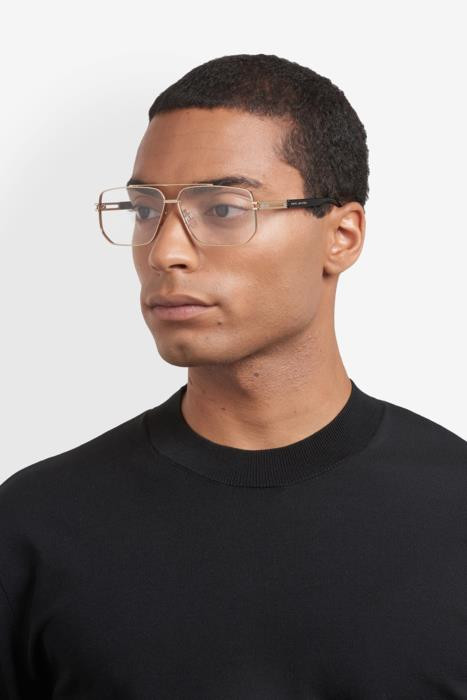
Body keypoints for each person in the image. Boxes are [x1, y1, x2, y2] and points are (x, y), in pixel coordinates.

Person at [1, 53, 466, 699]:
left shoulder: (454, 512)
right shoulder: (35, 527)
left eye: (222, 209)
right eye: (144, 210)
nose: (165, 251)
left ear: (341, 235)